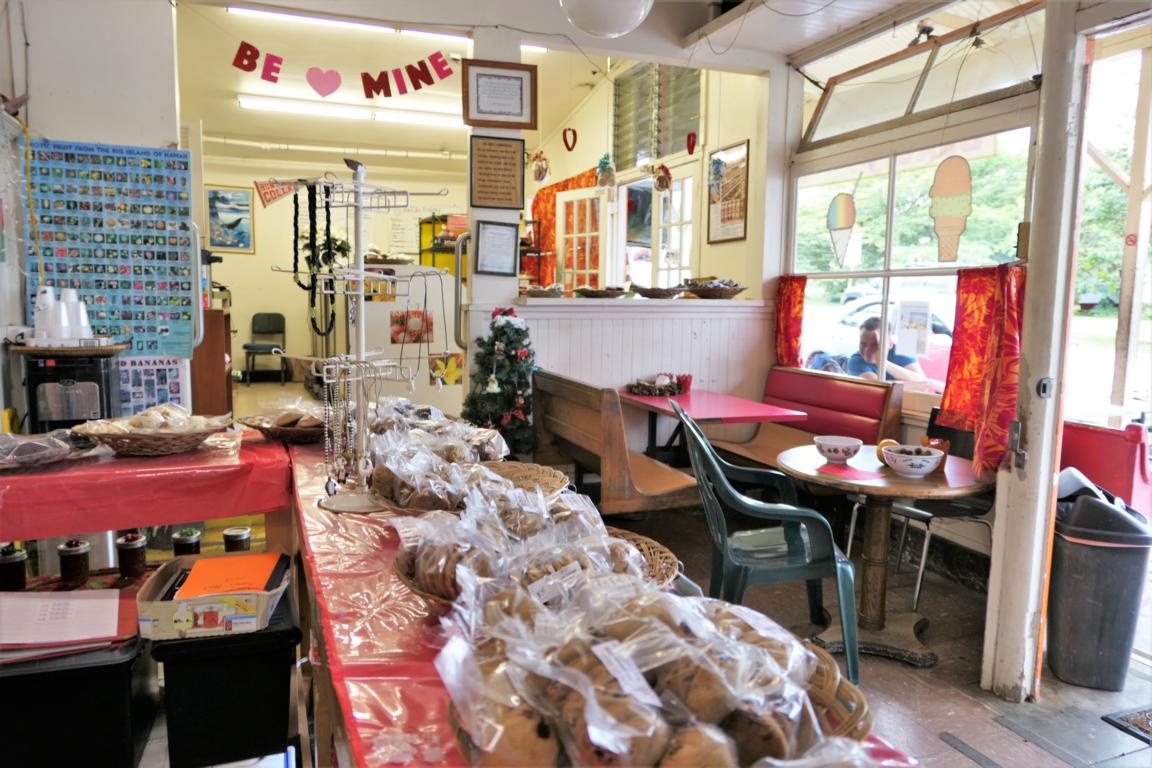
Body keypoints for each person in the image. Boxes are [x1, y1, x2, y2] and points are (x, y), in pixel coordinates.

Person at [847, 316, 935, 388]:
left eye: (875, 344)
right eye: (863, 344)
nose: (867, 350)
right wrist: (919, 384)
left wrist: (882, 362)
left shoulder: (899, 352)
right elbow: (879, 387)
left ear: (889, 344)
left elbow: (922, 382)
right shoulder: (855, 361)